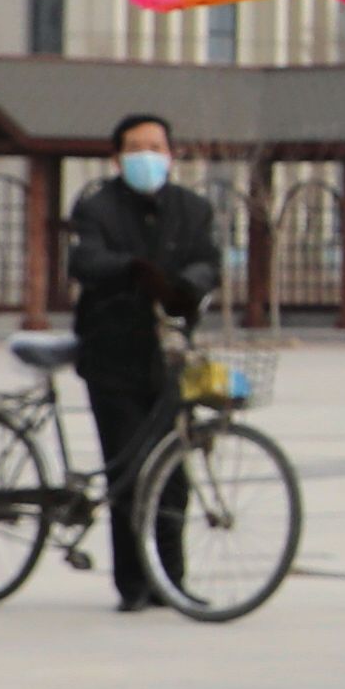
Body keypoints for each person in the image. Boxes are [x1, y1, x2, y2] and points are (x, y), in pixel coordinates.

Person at [62, 112, 225, 608]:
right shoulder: (97, 207)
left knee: (174, 475)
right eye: (136, 148)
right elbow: (84, 261)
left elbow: (208, 260)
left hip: (170, 357)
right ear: (116, 158)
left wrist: (187, 285)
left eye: (156, 147)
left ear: (171, 155)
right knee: (130, 470)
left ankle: (170, 580)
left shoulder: (192, 208)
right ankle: (133, 584)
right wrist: (133, 270)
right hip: (112, 354)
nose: (147, 156)